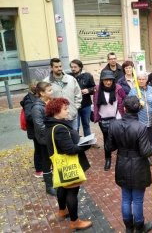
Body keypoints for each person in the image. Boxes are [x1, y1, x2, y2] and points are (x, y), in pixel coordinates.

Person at [106, 96, 152, 233]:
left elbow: (109, 147)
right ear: (138, 109)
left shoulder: (114, 124)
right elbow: (146, 151)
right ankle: (139, 226)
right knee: (137, 199)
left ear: (124, 109)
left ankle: (129, 227)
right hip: (138, 166)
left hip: (122, 164)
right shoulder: (141, 127)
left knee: (126, 197)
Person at [44, 98, 92, 230]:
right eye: (64, 109)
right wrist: (87, 144)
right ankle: (75, 221)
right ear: (55, 111)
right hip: (68, 164)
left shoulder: (51, 125)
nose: (67, 111)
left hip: (59, 165)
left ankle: (62, 210)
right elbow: (70, 150)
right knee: (72, 191)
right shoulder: (60, 128)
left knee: (62, 187)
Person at [93, 70, 126, 171]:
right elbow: (95, 103)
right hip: (103, 119)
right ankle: (108, 159)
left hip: (116, 118)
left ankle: (121, 159)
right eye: (106, 80)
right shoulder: (97, 89)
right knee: (107, 140)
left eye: (110, 80)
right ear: (102, 80)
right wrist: (96, 116)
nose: (108, 82)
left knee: (120, 139)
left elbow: (125, 98)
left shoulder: (118, 88)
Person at [31, 81, 56, 196]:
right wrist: (51, 133)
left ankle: (57, 182)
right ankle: (49, 186)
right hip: (45, 139)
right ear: (41, 93)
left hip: (54, 136)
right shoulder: (37, 107)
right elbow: (39, 125)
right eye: (49, 90)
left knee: (55, 159)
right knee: (47, 161)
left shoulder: (50, 102)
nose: (52, 92)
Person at [44, 58, 82, 130]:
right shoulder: (46, 82)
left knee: (75, 137)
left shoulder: (71, 79)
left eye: (60, 66)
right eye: (56, 67)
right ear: (51, 68)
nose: (59, 68)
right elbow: (45, 99)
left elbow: (78, 94)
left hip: (72, 115)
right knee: (62, 138)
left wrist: (76, 107)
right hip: (57, 118)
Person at [20, 82, 42, 178]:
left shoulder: (35, 98)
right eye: (34, 86)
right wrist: (40, 116)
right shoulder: (29, 100)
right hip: (34, 129)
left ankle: (41, 168)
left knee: (40, 149)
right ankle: (38, 170)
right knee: (38, 149)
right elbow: (29, 116)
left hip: (36, 129)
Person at [128, 72, 152, 138]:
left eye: (143, 79)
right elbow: (129, 106)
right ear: (137, 80)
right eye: (139, 79)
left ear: (146, 80)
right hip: (140, 121)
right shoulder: (133, 91)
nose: (141, 81)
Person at [69, 59, 95, 137]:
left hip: (86, 104)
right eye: (71, 67)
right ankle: (76, 142)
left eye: (75, 67)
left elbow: (94, 88)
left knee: (86, 124)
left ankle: (88, 141)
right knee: (75, 126)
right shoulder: (68, 77)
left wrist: (88, 90)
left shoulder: (88, 76)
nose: (73, 69)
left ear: (80, 67)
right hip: (73, 105)